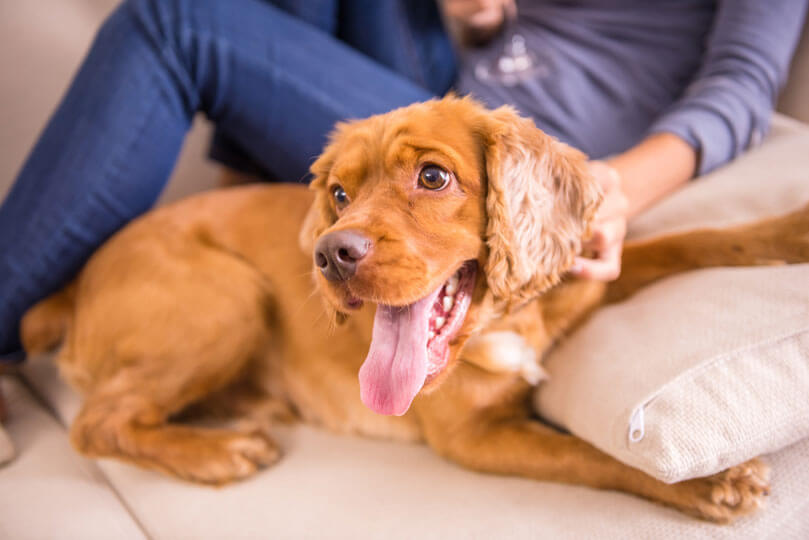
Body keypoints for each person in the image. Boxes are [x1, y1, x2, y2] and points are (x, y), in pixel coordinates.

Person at [0, 0, 806, 361]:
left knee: (175, 23)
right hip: (432, 94)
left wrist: (608, 188)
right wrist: (484, 15)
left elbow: (740, 87)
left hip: (525, 152)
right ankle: (255, 172)